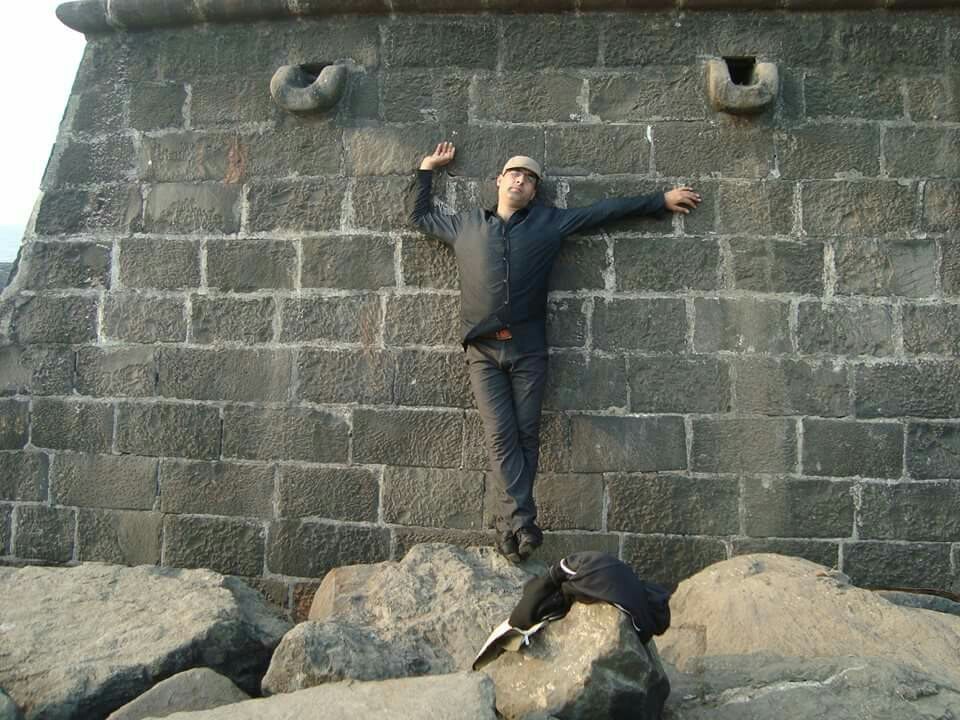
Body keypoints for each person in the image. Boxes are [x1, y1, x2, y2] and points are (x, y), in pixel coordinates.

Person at [408, 141, 701, 563]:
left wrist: (659, 200)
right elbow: (419, 217)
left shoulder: (549, 224)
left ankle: (509, 529)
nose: (521, 180)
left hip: (528, 351)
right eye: (514, 174)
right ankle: (523, 523)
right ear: (499, 181)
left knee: (526, 435)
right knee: (501, 435)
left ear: (534, 192)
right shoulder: (466, 225)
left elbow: (604, 211)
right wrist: (426, 168)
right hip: (483, 352)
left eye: (529, 179)